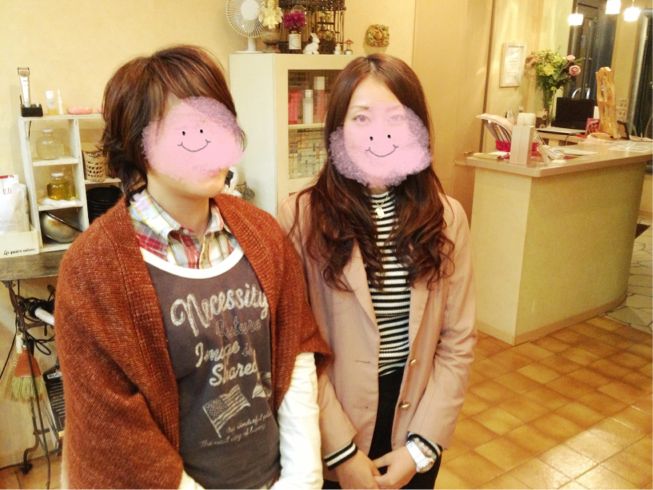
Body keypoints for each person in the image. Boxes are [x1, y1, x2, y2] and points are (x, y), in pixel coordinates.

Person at [55, 45, 329, 489]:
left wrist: (303, 477)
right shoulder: (93, 269)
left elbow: (294, 347)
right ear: (138, 144)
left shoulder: (262, 233)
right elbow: (114, 427)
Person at [278, 53, 476, 489]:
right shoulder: (301, 216)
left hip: (416, 416)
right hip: (333, 419)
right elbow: (294, 345)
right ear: (337, 130)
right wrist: (341, 452)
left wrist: (421, 447)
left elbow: (457, 341)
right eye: (361, 118)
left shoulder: (448, 218)